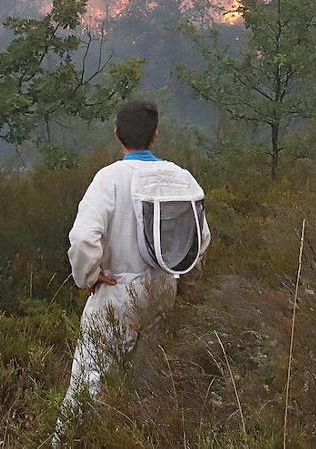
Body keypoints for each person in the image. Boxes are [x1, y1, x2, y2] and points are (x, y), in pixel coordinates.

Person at [56, 99, 210, 439]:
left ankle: (74, 442)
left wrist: (88, 276)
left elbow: (83, 238)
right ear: (155, 135)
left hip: (116, 293)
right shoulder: (179, 177)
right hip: (162, 290)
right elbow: (201, 238)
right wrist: (179, 274)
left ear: (116, 134)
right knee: (148, 381)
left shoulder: (109, 179)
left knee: (90, 383)